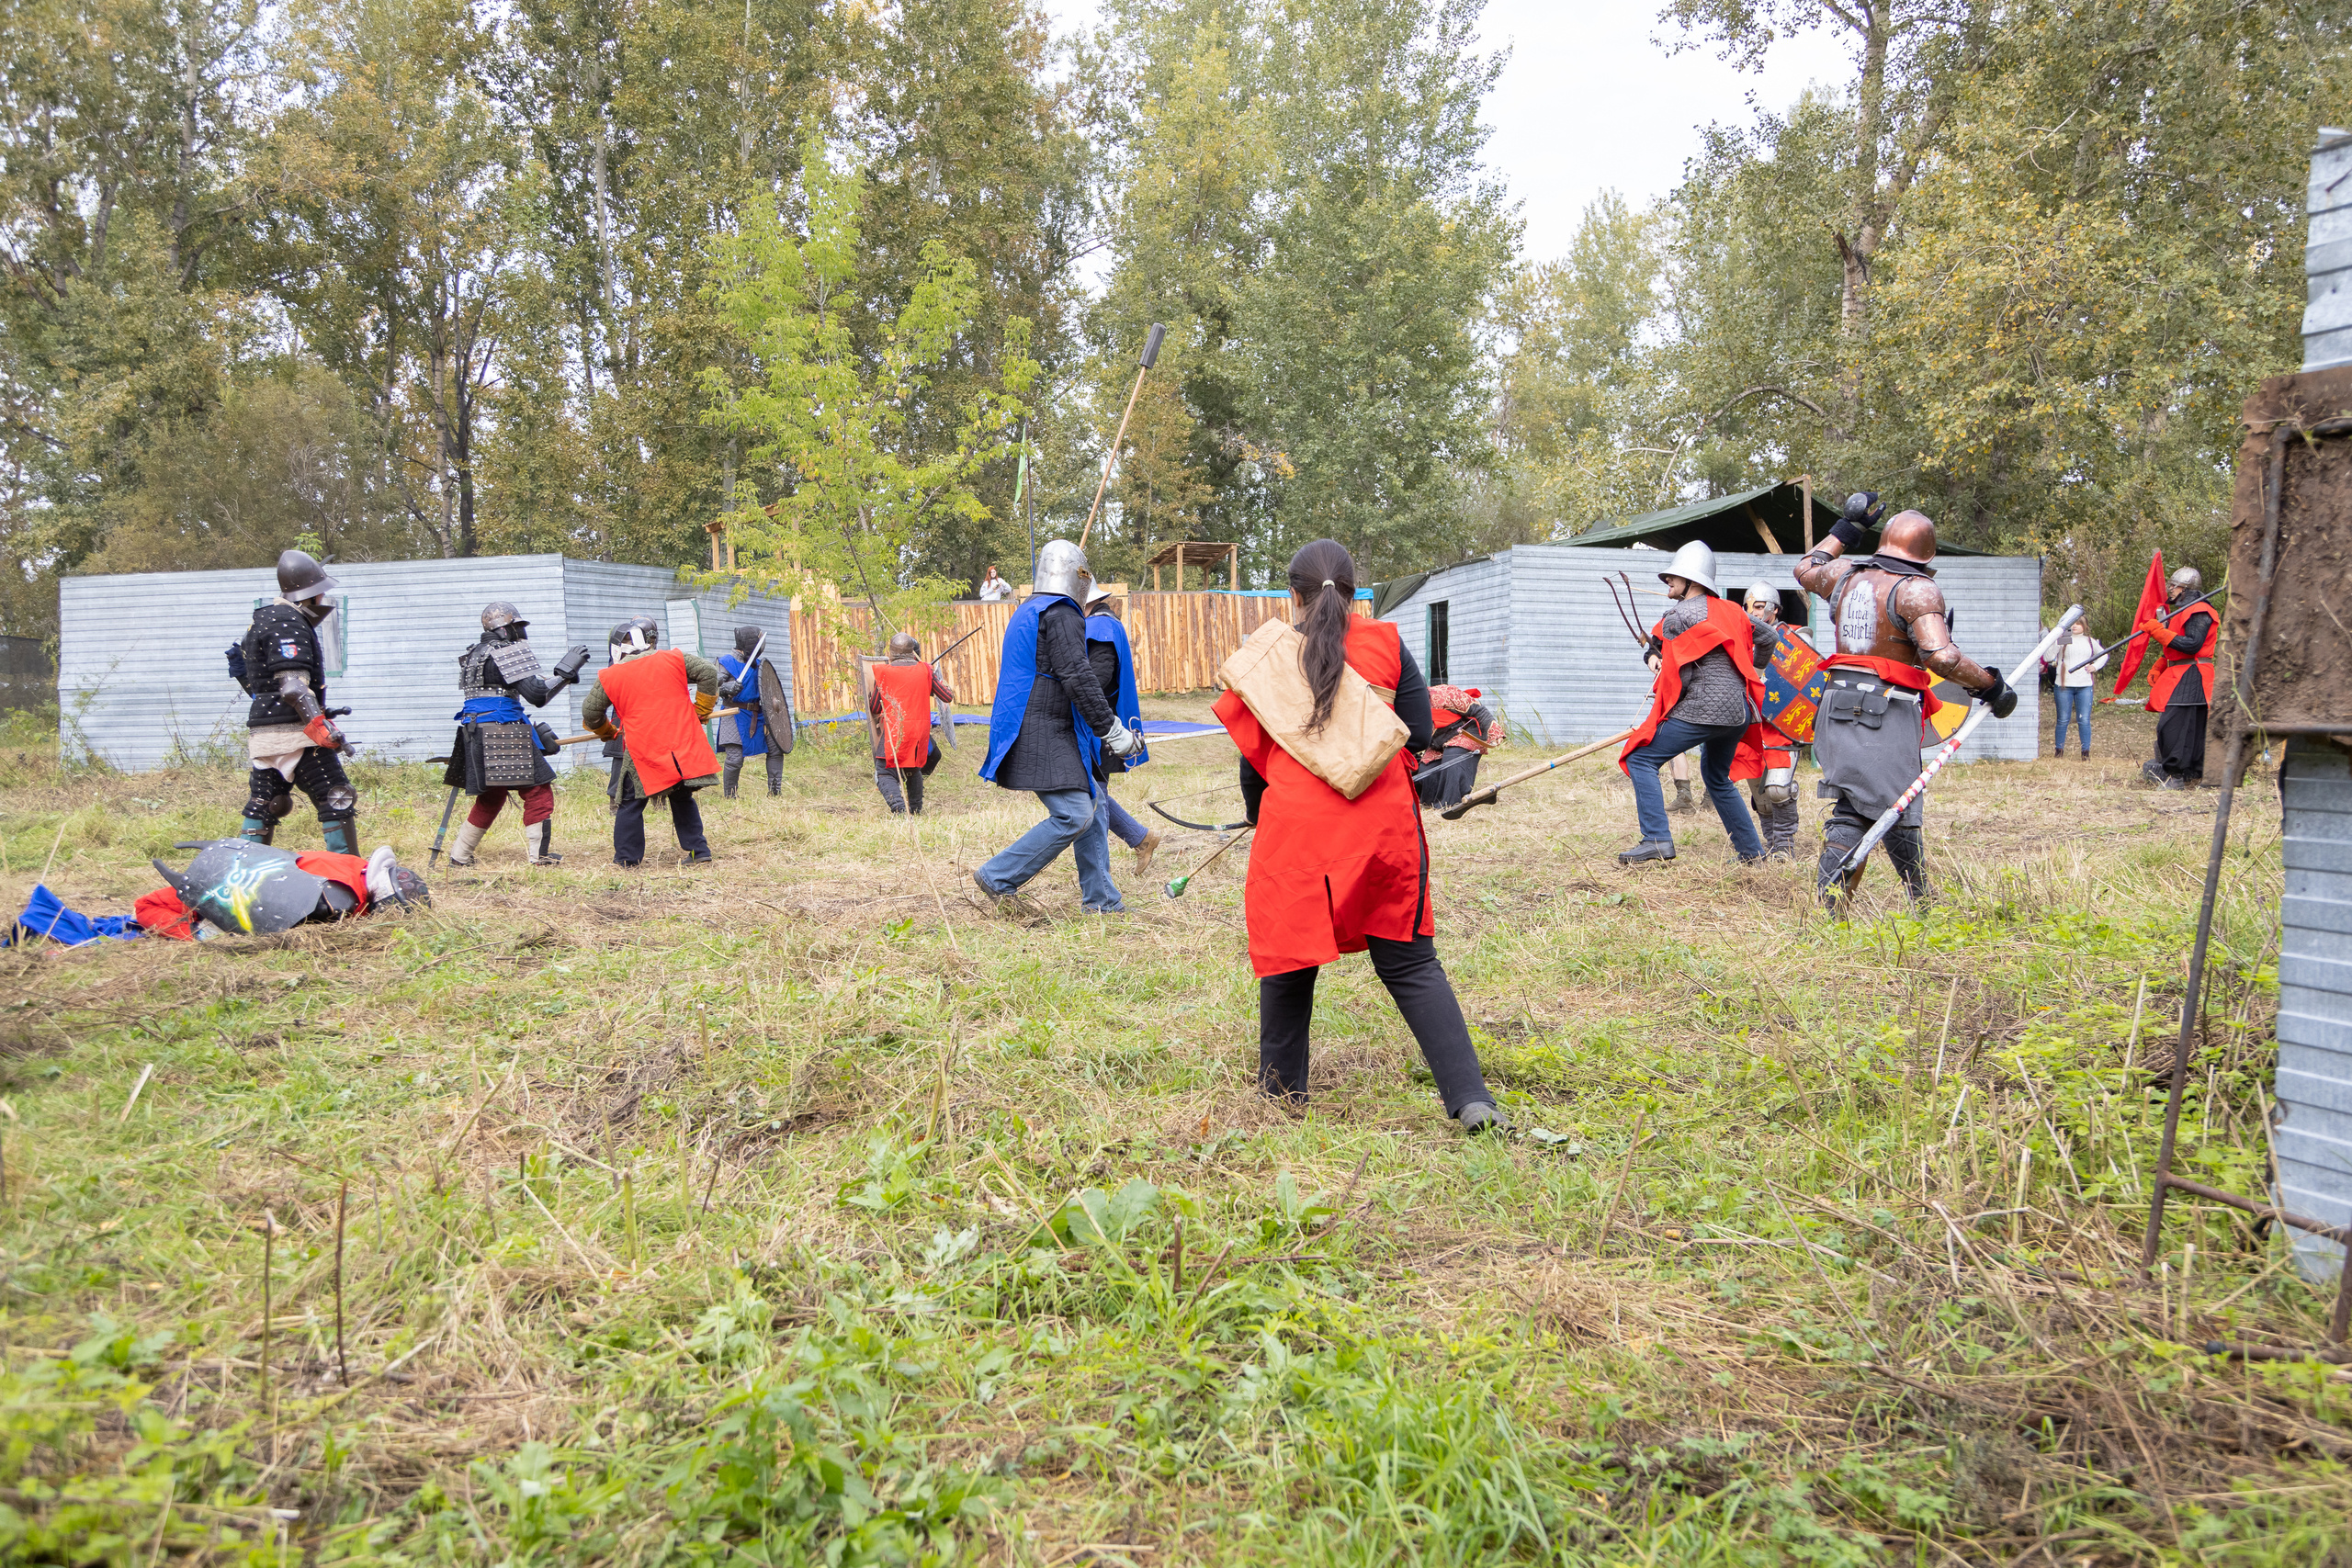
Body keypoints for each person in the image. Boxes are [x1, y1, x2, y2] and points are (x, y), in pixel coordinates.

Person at [1214, 539, 1503, 1134]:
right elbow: (1419, 731)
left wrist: (1254, 814)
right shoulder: (1388, 643)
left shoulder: (1267, 656)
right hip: (1382, 825)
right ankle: (1471, 1098)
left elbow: (1254, 761)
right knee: (1411, 962)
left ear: (1292, 595)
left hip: (1295, 828)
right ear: (1354, 592)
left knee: (1290, 962)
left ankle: (1280, 1100)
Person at [1793, 495, 2017, 907]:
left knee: (1875, 802)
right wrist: (1990, 686)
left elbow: (1806, 568)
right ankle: (1875, 904)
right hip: (1885, 707)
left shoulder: (1845, 574)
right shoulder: (1917, 590)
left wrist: (1848, 528)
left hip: (1836, 703)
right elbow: (1941, 656)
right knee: (1880, 805)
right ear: (1925, 553)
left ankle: (1889, 901)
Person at [975, 540, 1142, 911]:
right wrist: (1113, 731)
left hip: (1038, 720)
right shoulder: (1061, 611)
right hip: (1041, 724)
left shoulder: (1029, 608)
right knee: (1074, 813)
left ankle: (1102, 901)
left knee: (1094, 803)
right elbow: (1078, 676)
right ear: (1075, 576)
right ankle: (998, 875)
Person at [1616, 542, 1773, 866]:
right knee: (1716, 776)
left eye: (1674, 576)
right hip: (1739, 711)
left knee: (1641, 759)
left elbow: (1678, 673)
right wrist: (1754, 669)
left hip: (1704, 710)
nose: (1667, 582)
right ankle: (1752, 853)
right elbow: (1769, 637)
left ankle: (1656, 838)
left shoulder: (1676, 616)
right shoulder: (1734, 611)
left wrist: (1657, 666)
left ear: (1692, 580)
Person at [232, 548, 361, 854]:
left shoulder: (261, 621)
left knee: (265, 805)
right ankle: (347, 878)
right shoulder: (290, 621)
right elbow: (292, 687)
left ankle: (238, 877)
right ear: (311, 594)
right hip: (296, 735)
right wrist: (318, 723)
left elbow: (261, 685)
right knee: (336, 797)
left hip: (263, 734)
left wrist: (323, 710)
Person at [443, 602, 591, 867]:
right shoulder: (506, 651)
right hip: (502, 730)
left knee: (492, 795)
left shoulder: (474, 654)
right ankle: (539, 857)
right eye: (517, 627)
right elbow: (536, 695)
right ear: (505, 629)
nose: (520, 633)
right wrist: (566, 672)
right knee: (538, 791)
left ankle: (460, 856)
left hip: (474, 730)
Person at [580, 616, 723, 866]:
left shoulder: (610, 676)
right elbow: (709, 672)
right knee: (681, 797)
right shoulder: (673, 658)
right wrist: (700, 710)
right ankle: (699, 852)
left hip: (643, 748)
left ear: (615, 648)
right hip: (678, 744)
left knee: (630, 803)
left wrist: (607, 731)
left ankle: (627, 859)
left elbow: (590, 713)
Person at [1084, 585, 1164, 874]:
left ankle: (1100, 883)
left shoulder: (1100, 626)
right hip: (1101, 725)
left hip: (1100, 728)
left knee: (1092, 798)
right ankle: (1141, 838)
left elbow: (1099, 676)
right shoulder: (1104, 623)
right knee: (1093, 794)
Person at [1740, 581, 1803, 860]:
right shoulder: (1741, 640)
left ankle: (1785, 846)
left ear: (1774, 609)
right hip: (1751, 724)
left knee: (1778, 789)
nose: (1751, 612)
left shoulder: (1798, 638)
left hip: (1782, 726)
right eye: (1747, 606)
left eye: (1757, 606)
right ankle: (1770, 842)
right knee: (1761, 797)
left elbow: (1806, 676)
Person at [2139, 567, 2215, 789]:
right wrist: (2161, 663)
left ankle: (2178, 776)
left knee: (2172, 726)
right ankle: (2189, 774)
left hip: (2194, 675)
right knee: (2185, 726)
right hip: (2182, 671)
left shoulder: (2199, 610)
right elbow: (2177, 645)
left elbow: (2193, 644)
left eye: (2174, 586)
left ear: (2186, 588)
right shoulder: (2183, 610)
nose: (2170, 590)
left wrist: (2159, 632)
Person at [868, 631, 956, 814]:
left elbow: (876, 707)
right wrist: (935, 680)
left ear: (891, 653)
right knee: (912, 767)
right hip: (919, 733)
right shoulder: (925, 671)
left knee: (884, 771)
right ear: (913, 652)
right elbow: (947, 697)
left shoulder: (885, 673)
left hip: (896, 730)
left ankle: (899, 809)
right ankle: (915, 810)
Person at [717, 626, 786, 797]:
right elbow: (712, 686)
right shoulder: (726, 662)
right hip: (734, 713)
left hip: (761, 715)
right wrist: (726, 688)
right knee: (735, 759)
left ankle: (775, 792)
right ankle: (730, 796)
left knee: (776, 750)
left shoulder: (759, 666)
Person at [1413, 684, 1498, 811]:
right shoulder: (1404, 708)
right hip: (1437, 743)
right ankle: (1431, 804)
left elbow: (1479, 711)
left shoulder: (1446, 694)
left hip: (1465, 733)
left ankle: (1452, 805)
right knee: (1426, 772)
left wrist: (1495, 732)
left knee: (1452, 758)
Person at [2049, 619, 2105, 760]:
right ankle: (2059, 750)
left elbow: (2104, 655)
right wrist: (2058, 640)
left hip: (2084, 685)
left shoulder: (2090, 641)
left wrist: (2095, 667)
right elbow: (2048, 657)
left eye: (2078, 624)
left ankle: (2085, 752)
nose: (2074, 626)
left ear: (2084, 626)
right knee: (2062, 719)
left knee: (2084, 719)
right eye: (2072, 623)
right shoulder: (2064, 640)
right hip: (2064, 684)